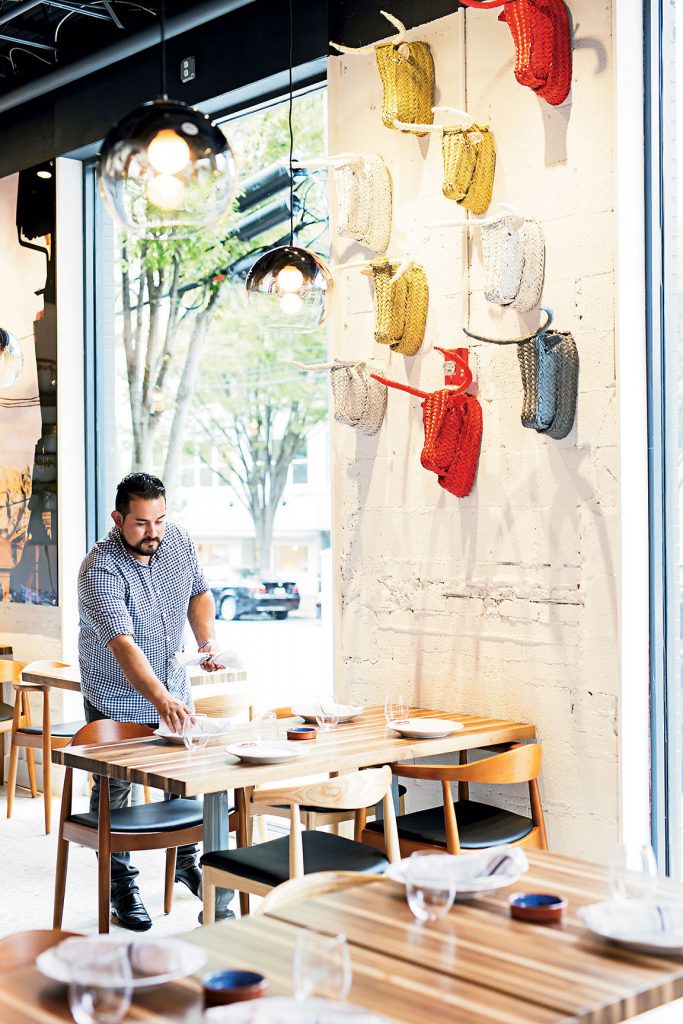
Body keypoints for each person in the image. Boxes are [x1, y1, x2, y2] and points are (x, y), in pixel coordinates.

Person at [78, 471, 226, 931]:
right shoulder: (99, 569)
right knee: (116, 797)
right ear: (118, 518)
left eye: (159, 520)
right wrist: (160, 699)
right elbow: (122, 645)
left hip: (172, 690)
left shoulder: (175, 541)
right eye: (141, 523)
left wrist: (207, 642)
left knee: (185, 782)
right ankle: (121, 889)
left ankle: (186, 862)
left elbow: (199, 592)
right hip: (115, 699)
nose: (153, 533)